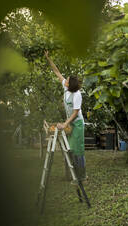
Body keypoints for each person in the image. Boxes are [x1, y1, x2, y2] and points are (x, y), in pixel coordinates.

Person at [45, 51, 87, 183]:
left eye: (67, 80)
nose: (65, 80)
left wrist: (65, 124)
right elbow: (57, 72)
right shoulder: (66, 88)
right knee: (71, 149)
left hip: (77, 124)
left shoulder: (77, 95)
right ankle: (76, 176)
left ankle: (83, 177)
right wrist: (48, 58)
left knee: (78, 150)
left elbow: (75, 113)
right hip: (70, 123)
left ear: (71, 84)